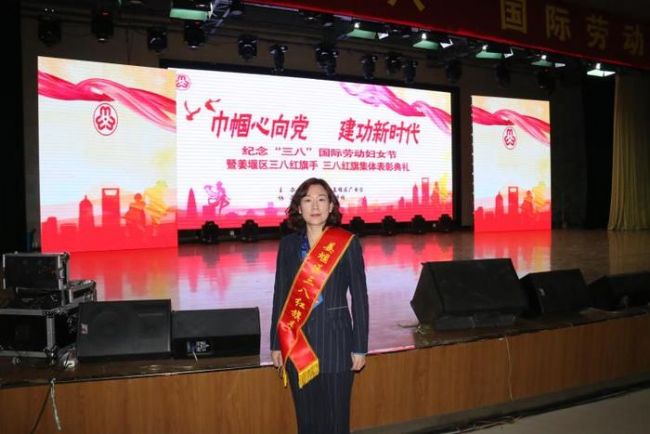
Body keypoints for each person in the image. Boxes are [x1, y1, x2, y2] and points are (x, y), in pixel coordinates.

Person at [270, 177, 369, 434]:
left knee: (337, 422)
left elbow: (360, 298)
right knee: (307, 422)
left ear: (331, 206)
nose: (315, 206)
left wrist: (360, 346)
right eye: (308, 200)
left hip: (337, 344)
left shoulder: (347, 243)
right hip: (297, 343)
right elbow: (280, 294)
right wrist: (276, 343)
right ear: (298, 207)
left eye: (321, 199)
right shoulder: (288, 245)